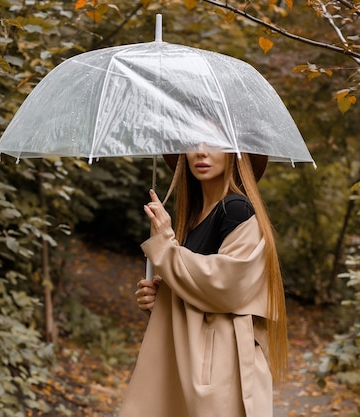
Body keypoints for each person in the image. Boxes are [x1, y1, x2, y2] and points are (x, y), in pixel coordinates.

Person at [118, 146, 289, 417]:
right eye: (192, 143)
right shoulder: (195, 214)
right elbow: (194, 287)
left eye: (213, 143)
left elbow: (226, 286)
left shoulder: (237, 209)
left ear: (234, 153)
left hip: (220, 368)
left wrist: (164, 244)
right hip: (189, 363)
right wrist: (160, 296)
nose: (200, 152)